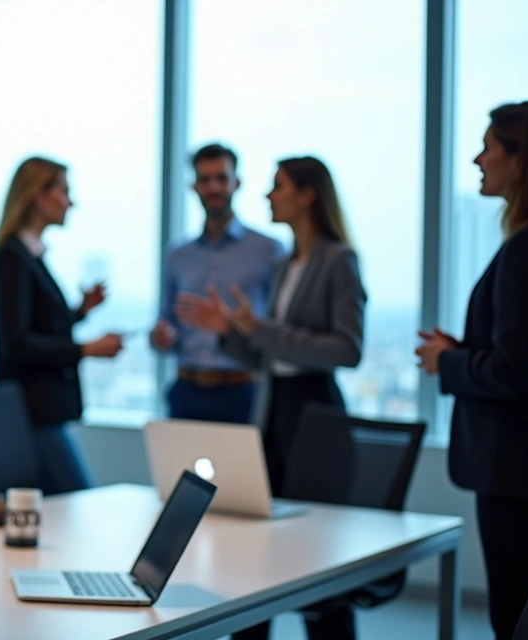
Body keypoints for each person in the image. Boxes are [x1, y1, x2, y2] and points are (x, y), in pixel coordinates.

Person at [416, 101, 528, 640]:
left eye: (489, 147)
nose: (477, 159)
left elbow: (515, 373)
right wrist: (465, 350)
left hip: (518, 466)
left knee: (522, 619)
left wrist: (447, 360)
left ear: (522, 159)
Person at [179, 156, 366, 640]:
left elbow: (347, 348)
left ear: (307, 196)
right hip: (273, 407)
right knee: (256, 552)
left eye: (277, 186)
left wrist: (257, 328)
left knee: (316, 561)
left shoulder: (338, 259)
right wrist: (230, 333)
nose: (266, 196)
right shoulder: (284, 263)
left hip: (315, 411)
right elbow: (270, 353)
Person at [0, 156, 123, 494]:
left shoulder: (29, 256)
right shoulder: (13, 258)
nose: (70, 202)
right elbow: (16, 343)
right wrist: (86, 349)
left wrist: (79, 312)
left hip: (42, 413)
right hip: (34, 415)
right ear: (38, 195)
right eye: (64, 192)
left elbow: (36, 324)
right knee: (79, 502)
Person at [149, 143, 284, 423]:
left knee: (244, 469)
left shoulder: (269, 250)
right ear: (193, 186)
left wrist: (232, 328)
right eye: (204, 180)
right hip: (187, 389)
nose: (213, 188)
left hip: (243, 391)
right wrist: (162, 337)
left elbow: (279, 328)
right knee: (177, 468)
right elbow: (167, 320)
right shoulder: (177, 254)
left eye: (221, 178)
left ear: (237, 183)